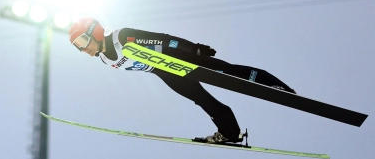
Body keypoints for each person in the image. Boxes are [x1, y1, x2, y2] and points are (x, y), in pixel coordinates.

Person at [69, 17, 296, 143]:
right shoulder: (105, 60)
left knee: (226, 72)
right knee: (202, 100)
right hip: (165, 73)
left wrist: (194, 49)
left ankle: (275, 86)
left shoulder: (120, 37)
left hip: (176, 57)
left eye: (82, 42)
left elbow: (162, 40)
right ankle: (230, 132)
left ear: (94, 32)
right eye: (78, 47)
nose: (83, 49)